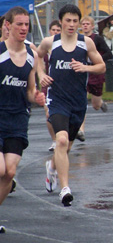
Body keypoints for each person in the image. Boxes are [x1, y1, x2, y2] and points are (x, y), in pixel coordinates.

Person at [36, 4, 106, 206]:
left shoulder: (86, 43)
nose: (72, 24)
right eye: (68, 20)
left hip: (77, 102)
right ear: (61, 22)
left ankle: (52, 167)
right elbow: (39, 56)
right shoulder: (51, 42)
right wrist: (41, 74)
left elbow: (101, 66)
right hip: (57, 100)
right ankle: (65, 188)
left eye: (76, 21)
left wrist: (85, 67)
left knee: (65, 148)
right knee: (62, 141)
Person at [0, 6, 46, 233]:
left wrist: (36, 97)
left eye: (26, 24)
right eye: (19, 24)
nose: (24, 29)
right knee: (0, 169)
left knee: (9, 172)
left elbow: (30, 90)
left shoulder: (31, 56)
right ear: (7, 25)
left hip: (18, 119)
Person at [76, 15, 112, 142]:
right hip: (83, 72)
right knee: (82, 101)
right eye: (83, 24)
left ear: (92, 26)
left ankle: (101, 103)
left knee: (95, 105)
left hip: (96, 72)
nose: (85, 26)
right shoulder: (77, 39)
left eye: (87, 24)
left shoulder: (98, 39)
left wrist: (97, 59)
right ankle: (81, 130)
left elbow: (109, 53)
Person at [41, 20, 62, 151]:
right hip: (47, 83)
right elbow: (37, 59)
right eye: (53, 30)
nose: (55, 32)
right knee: (48, 113)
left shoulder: (63, 45)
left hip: (61, 84)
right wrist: (41, 75)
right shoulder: (45, 44)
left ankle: (61, 137)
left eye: (58, 30)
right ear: (49, 31)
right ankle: (54, 140)